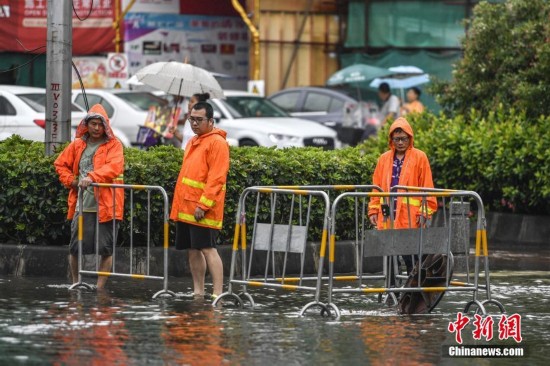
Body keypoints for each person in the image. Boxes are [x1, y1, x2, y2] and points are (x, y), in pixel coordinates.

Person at [54, 104, 124, 289]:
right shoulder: (77, 144)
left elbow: (114, 167)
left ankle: (99, 288)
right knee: (75, 248)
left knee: (106, 249)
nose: (96, 128)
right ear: (87, 124)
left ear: (105, 126)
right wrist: (72, 181)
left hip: (107, 205)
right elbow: (60, 164)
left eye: (100, 125)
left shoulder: (114, 145)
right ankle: (77, 283)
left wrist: (92, 177)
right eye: (93, 124)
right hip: (82, 205)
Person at [170, 101, 229, 299]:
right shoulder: (193, 141)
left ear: (210, 121)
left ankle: (218, 293)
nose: (194, 123)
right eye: (191, 119)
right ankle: (199, 291)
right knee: (193, 249)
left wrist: (203, 205)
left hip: (202, 207)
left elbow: (217, 178)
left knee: (207, 248)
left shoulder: (217, 143)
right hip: (187, 206)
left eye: (199, 120)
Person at [368, 117, 437, 274]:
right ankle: (392, 292)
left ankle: (412, 293)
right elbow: (376, 187)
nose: (400, 142)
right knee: (389, 259)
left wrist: (425, 212)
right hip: (388, 216)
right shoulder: (384, 159)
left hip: (410, 218)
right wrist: (373, 210)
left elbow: (427, 187)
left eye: (403, 139)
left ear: (410, 138)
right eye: (397, 139)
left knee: (411, 258)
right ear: (391, 139)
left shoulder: (420, 157)